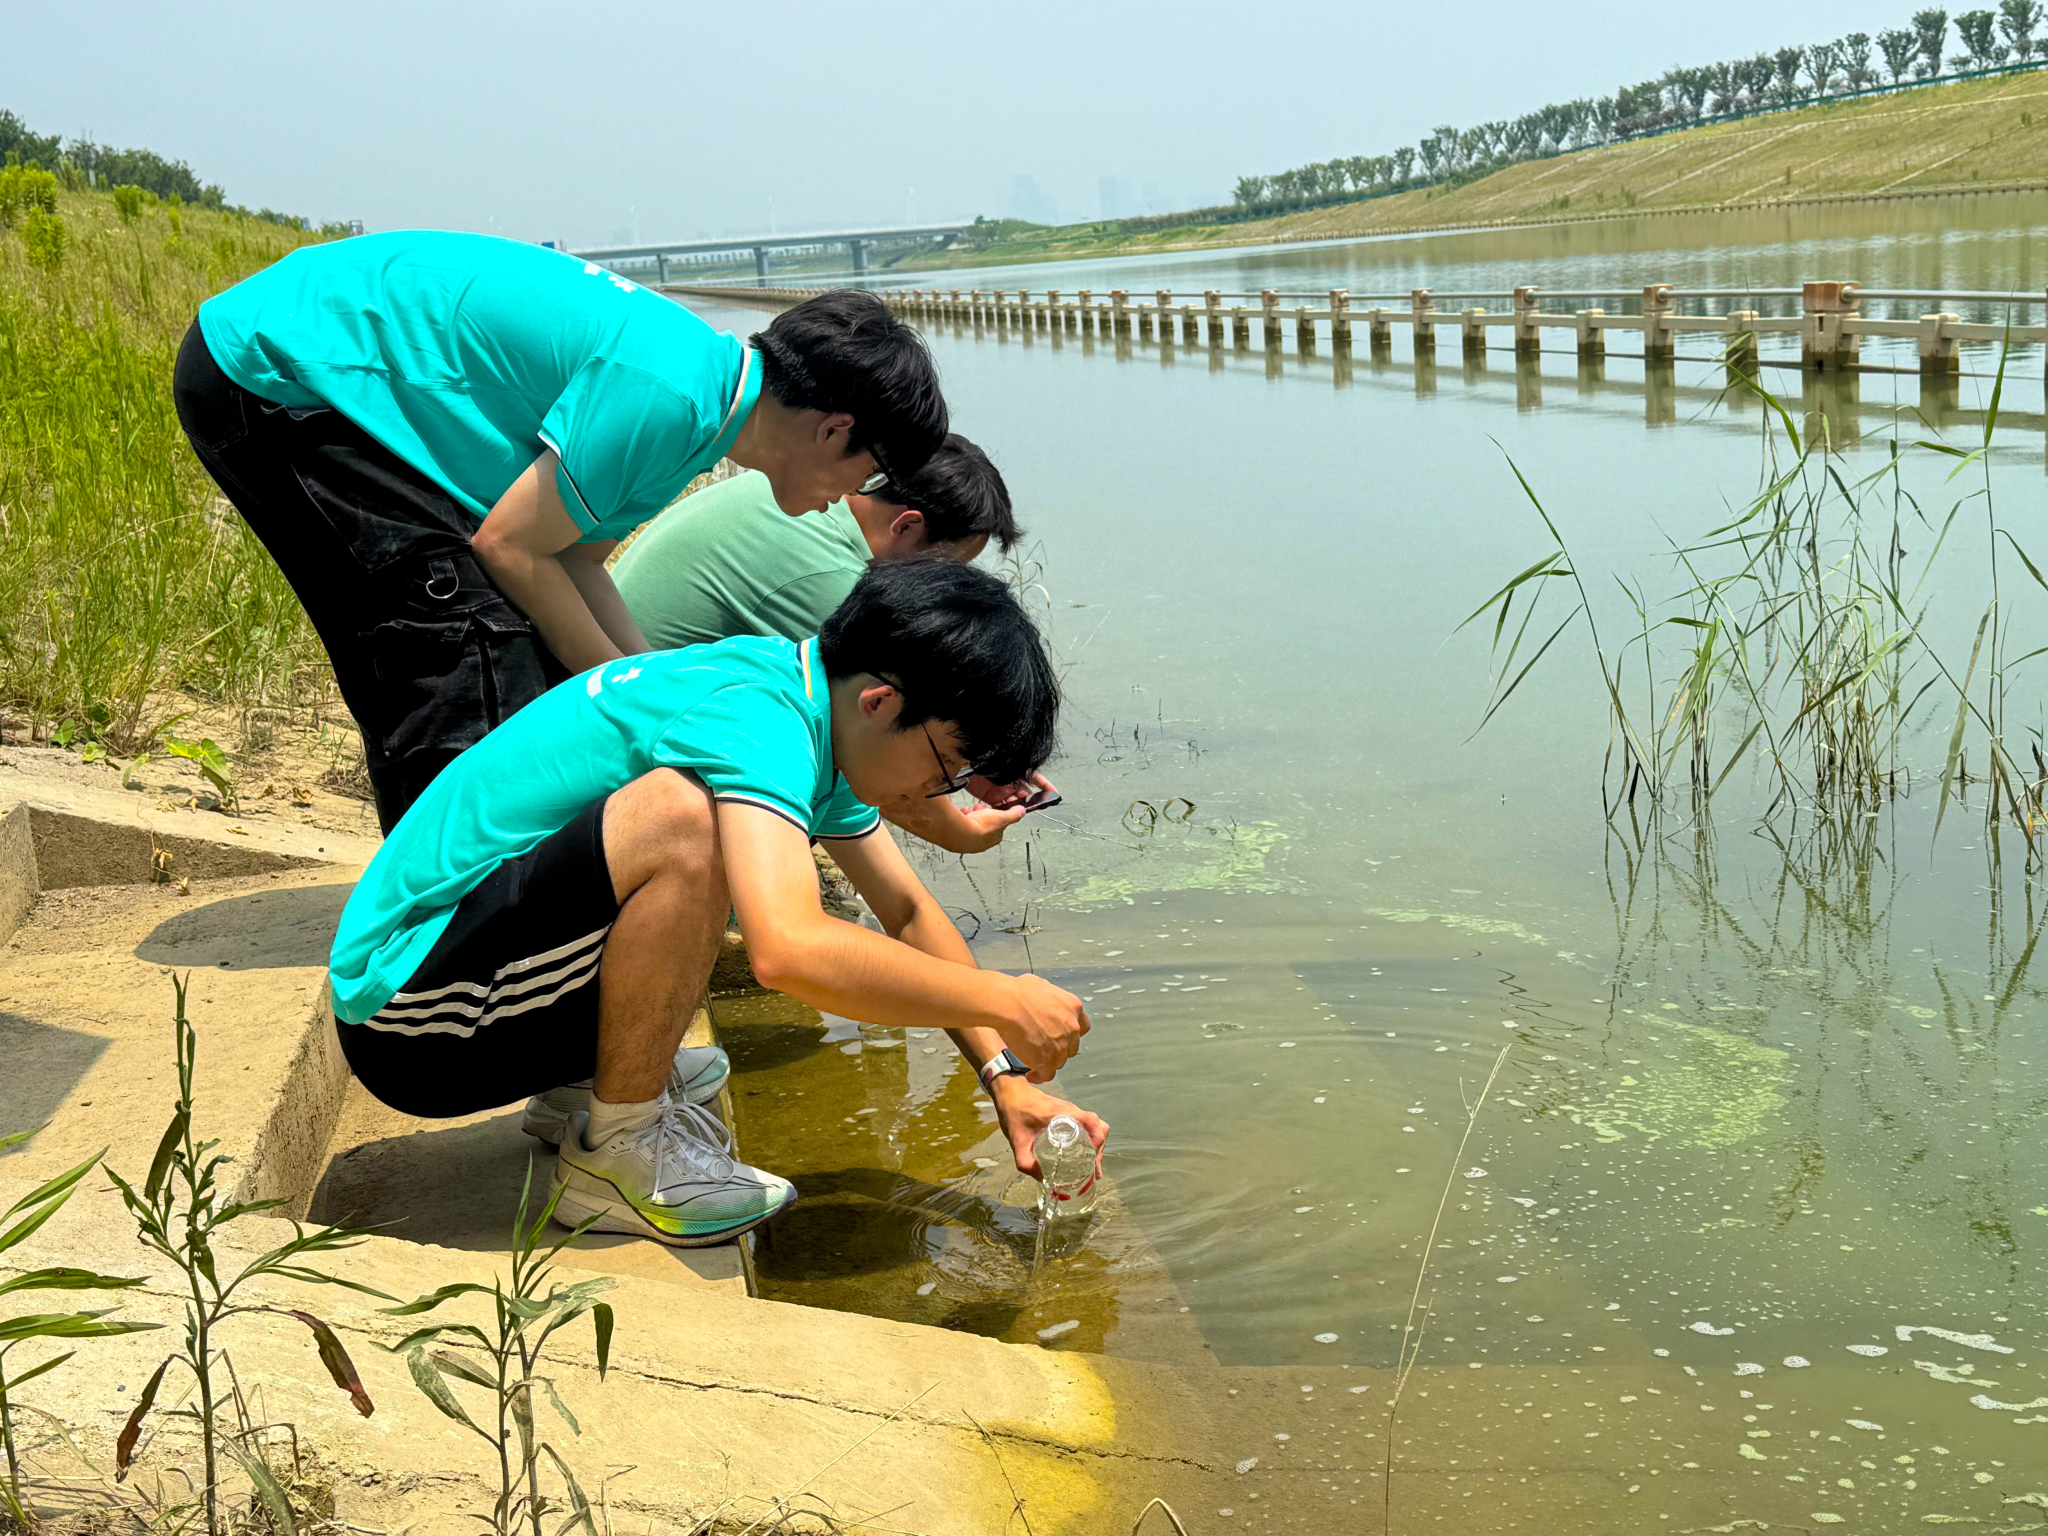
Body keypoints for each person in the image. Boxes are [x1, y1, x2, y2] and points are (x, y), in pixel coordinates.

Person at [326, 558, 1105, 1246]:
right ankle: (617, 1155)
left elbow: (905, 914)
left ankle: (585, 1090)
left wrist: (1007, 1080)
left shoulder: (809, 707)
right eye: (948, 765)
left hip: (472, 972)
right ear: (879, 701)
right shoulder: (760, 720)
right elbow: (788, 950)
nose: (941, 792)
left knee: (698, 831)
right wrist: (1004, 998)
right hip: (414, 1021)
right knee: (689, 822)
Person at [173, 231, 946, 832]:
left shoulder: (705, 408)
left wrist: (656, 687)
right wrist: (642, 709)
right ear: (834, 429)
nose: (853, 498)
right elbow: (509, 546)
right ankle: (442, 943)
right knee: (468, 649)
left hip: (305, 369)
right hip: (281, 372)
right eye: (870, 473)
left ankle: (455, 921)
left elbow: (574, 559)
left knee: (498, 649)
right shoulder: (672, 395)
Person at [613, 433, 1049, 853]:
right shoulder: (829, 579)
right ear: (907, 525)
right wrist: (961, 833)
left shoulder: (808, 501)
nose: (940, 590)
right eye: (942, 569)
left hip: (634, 696)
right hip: (634, 762)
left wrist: (967, 759)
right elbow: (867, 754)